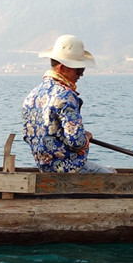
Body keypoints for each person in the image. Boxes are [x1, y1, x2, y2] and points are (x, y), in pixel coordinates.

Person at [22, 34, 113, 173]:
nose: (81, 74)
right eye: (79, 69)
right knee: (112, 177)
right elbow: (76, 141)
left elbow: (28, 136)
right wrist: (86, 137)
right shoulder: (66, 96)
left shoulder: (32, 95)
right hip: (68, 168)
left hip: (43, 167)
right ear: (62, 68)